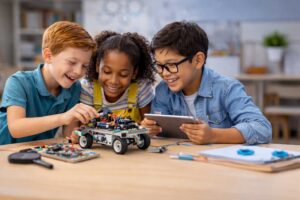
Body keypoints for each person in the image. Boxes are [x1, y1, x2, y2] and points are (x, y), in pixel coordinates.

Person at [141, 21, 272, 145]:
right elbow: (159, 131)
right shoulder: (163, 90)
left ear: (198, 60)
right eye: (159, 65)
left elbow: (261, 128)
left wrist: (214, 135)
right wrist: (150, 128)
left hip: (220, 164)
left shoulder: (227, 88)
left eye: (171, 64)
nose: (164, 73)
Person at [0, 21, 99, 145]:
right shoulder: (18, 82)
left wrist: (76, 134)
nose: (79, 71)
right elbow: (16, 128)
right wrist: (63, 117)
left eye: (85, 66)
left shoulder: (74, 88)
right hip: (5, 152)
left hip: (40, 152)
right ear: (48, 56)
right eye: (72, 62)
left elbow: (69, 133)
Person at [80, 31, 155, 123]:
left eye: (123, 74)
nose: (114, 81)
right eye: (107, 72)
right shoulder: (88, 88)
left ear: (134, 73)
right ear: (97, 66)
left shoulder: (141, 87)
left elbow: (149, 123)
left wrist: (148, 126)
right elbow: (81, 126)